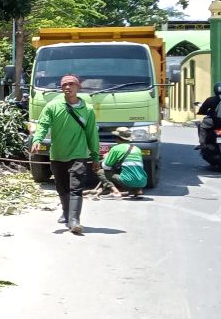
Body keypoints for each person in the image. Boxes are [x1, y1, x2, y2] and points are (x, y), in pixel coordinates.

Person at [30, 73, 99, 234]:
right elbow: (43, 125)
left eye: (71, 84)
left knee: (76, 187)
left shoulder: (87, 110)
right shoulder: (53, 106)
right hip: (58, 154)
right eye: (64, 85)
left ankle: (74, 220)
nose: (68, 87)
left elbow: (92, 135)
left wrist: (95, 156)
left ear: (78, 87)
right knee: (62, 187)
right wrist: (37, 140)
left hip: (79, 154)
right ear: (61, 88)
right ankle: (66, 213)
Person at [99, 127, 148, 198]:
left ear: (117, 138)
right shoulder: (137, 149)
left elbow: (106, 167)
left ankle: (115, 192)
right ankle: (138, 191)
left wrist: (106, 157)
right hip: (143, 182)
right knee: (132, 171)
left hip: (128, 182)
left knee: (101, 172)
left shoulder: (116, 148)